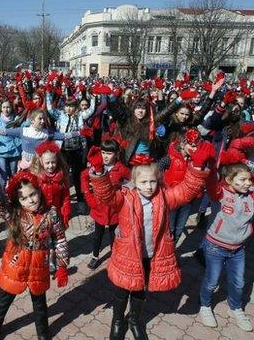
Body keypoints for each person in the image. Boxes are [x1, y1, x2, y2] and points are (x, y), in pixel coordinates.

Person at [87, 142, 214, 340]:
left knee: (140, 290)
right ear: (134, 181)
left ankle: (135, 320)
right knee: (122, 290)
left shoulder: (163, 197)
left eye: (153, 181)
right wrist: (98, 171)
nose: (149, 186)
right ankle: (118, 320)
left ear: (158, 180)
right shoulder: (125, 197)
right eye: (144, 182)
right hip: (127, 254)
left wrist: (197, 167)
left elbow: (186, 191)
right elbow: (106, 196)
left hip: (150, 254)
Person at [0, 161, 69, 340]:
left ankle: (43, 333)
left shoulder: (51, 214)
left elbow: (60, 238)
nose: (30, 200)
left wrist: (62, 265)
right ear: (18, 200)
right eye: (24, 198)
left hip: (39, 265)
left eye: (33, 194)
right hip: (16, 263)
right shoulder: (14, 213)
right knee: (4, 299)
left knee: (39, 303)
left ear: (39, 191)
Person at [198, 156, 254, 332]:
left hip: (238, 249)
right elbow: (211, 184)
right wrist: (214, 165)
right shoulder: (220, 193)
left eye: (249, 179)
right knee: (212, 281)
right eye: (242, 179)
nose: (247, 183)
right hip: (215, 246)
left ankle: (235, 308)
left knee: (238, 283)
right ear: (229, 180)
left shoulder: (251, 196)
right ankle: (205, 305)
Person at [80, 137, 130, 269]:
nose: (105, 156)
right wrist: (87, 195)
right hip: (99, 208)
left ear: (116, 154)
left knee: (114, 235)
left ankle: (115, 255)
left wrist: (124, 194)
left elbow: (132, 180)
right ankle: (95, 256)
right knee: (97, 235)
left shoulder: (121, 169)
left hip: (114, 209)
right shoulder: (96, 167)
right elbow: (83, 177)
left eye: (109, 153)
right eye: (103, 152)